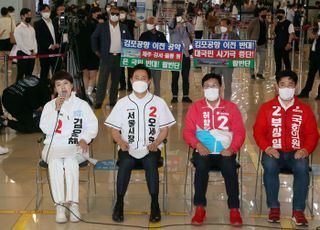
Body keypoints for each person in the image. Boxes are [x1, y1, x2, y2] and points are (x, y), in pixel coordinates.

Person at [105, 64, 176, 223]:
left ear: (149, 81)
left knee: (151, 163)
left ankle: (155, 204)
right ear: (131, 80)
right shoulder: (123, 103)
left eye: (143, 78)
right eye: (136, 78)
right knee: (126, 163)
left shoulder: (158, 102)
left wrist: (156, 142)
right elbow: (114, 130)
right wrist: (121, 142)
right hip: (127, 146)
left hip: (151, 147)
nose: (140, 81)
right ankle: (119, 203)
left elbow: (164, 130)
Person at [253, 70, 319, 226]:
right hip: (273, 151)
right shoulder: (267, 108)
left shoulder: (304, 110)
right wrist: (267, 147)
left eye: (290, 85)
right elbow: (258, 131)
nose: (286, 88)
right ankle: (274, 207)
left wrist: (306, 150)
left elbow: (312, 134)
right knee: (269, 166)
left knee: (303, 168)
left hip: (297, 152)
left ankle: (298, 211)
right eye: (282, 84)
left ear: (296, 88)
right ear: (276, 87)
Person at [183, 73, 245, 226]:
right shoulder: (196, 108)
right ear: (203, 89)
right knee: (201, 165)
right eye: (207, 86)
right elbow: (187, 131)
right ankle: (199, 207)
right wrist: (198, 145)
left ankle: (234, 209)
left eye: (214, 86)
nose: (211, 89)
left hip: (225, 152)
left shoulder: (231, 108)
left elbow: (239, 131)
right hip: (203, 151)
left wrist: (232, 148)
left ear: (221, 88)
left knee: (229, 167)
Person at [39, 71, 98, 223]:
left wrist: (85, 139)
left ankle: (73, 205)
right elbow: (45, 128)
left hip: (76, 147)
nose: (63, 87)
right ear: (55, 89)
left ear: (72, 85)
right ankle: (59, 206)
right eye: (58, 85)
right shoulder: (49, 106)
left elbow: (92, 125)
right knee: (55, 163)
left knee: (71, 163)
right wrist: (55, 111)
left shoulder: (82, 105)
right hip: (54, 147)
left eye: (65, 83)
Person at [91, 6, 131, 109]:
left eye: (117, 14)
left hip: (118, 57)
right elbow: (93, 37)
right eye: (113, 13)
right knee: (102, 80)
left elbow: (129, 41)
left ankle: (113, 100)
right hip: (106, 57)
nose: (115, 16)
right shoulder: (102, 26)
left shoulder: (124, 27)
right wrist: (96, 51)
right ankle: (99, 101)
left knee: (116, 80)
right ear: (109, 14)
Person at [211, 18, 240, 100]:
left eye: (224, 25)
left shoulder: (234, 36)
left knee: (228, 84)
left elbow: (240, 47)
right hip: (217, 64)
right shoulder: (216, 36)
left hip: (228, 64)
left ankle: (227, 101)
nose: (222, 27)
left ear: (229, 26)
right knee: (215, 83)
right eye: (221, 25)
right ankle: (215, 99)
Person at [139, 16, 167, 97]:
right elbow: (140, 47)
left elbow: (166, 47)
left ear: (155, 24)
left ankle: (157, 98)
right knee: (146, 82)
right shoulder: (144, 35)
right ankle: (145, 97)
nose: (149, 25)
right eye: (148, 23)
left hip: (158, 63)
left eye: (150, 23)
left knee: (157, 83)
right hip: (147, 62)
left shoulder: (161, 35)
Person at [168, 12, 194, 103]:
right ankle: (174, 96)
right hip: (175, 55)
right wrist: (174, 18)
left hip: (185, 54)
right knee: (175, 76)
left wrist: (185, 20)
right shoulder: (173, 27)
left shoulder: (186, 26)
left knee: (185, 77)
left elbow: (191, 29)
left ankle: (185, 96)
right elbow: (170, 26)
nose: (179, 18)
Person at [34, 4, 61, 83]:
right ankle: (43, 89)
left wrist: (58, 43)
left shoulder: (54, 22)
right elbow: (39, 38)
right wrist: (49, 46)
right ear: (41, 12)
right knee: (44, 71)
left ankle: (56, 88)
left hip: (56, 51)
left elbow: (58, 35)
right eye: (44, 11)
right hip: (45, 51)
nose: (47, 12)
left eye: (48, 11)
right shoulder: (38, 24)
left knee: (57, 72)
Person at [298, 15, 320, 100]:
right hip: (314, 54)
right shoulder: (316, 29)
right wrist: (313, 36)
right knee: (311, 74)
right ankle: (305, 92)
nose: (318, 22)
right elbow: (310, 40)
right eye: (318, 21)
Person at [118, 6, 140, 91]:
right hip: (119, 47)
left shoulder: (130, 22)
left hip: (130, 47)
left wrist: (134, 17)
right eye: (120, 13)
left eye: (123, 12)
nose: (121, 14)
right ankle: (122, 85)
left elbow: (138, 25)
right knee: (121, 68)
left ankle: (130, 86)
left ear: (126, 14)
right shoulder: (116, 23)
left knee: (131, 67)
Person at [14, 8, 37, 82]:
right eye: (27, 15)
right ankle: (18, 91)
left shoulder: (32, 28)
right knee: (20, 74)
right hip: (22, 53)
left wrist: (35, 51)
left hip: (32, 53)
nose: (29, 17)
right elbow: (20, 44)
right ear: (22, 16)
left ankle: (28, 91)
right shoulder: (18, 29)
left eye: (30, 15)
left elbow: (34, 40)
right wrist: (29, 53)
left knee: (29, 74)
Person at [271, 9, 295, 74]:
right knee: (277, 60)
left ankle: (288, 73)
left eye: (280, 14)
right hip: (277, 45)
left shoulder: (289, 23)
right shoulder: (276, 23)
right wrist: (274, 26)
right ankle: (278, 73)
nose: (279, 15)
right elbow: (272, 33)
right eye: (277, 14)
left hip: (285, 45)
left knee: (286, 60)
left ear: (284, 14)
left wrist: (289, 43)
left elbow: (291, 34)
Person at [248, 7, 268, 80]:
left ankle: (260, 73)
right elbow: (249, 31)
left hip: (262, 43)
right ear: (259, 13)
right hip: (254, 43)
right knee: (252, 59)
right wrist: (251, 41)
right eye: (263, 12)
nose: (265, 14)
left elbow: (266, 32)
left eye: (266, 12)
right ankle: (252, 73)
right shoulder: (254, 21)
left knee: (263, 59)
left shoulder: (266, 22)